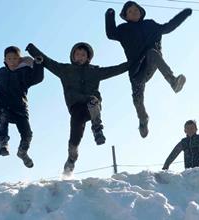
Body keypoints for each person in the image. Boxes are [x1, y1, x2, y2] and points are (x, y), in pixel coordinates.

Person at [26, 42, 131, 173]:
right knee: (76, 134)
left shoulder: (95, 71)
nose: (80, 56)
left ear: (88, 58)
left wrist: (133, 62)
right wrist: (32, 49)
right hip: (76, 107)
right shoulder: (64, 70)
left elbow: (115, 69)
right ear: (73, 56)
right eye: (77, 54)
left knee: (93, 102)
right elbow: (48, 62)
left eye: (83, 55)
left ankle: (97, 129)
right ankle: (72, 157)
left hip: (91, 106)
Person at [105, 1, 192, 138]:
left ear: (141, 12)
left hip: (150, 63)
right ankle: (143, 119)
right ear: (126, 16)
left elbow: (168, 27)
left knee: (152, 52)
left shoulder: (150, 25)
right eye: (130, 12)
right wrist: (109, 15)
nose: (134, 12)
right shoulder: (123, 29)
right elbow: (110, 34)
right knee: (137, 100)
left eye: (136, 10)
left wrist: (184, 14)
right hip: (135, 71)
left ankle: (173, 82)